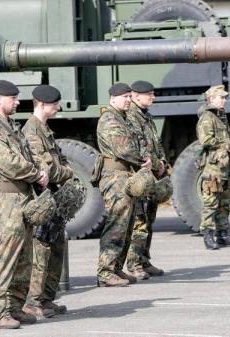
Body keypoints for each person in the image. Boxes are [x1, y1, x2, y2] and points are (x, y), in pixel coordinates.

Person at [0, 80, 50, 329]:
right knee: (5, 256)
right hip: (6, 200)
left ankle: (14, 308)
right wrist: (35, 173)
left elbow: (29, 154)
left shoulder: (11, 126)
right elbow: (7, 162)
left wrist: (40, 171)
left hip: (23, 198)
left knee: (23, 258)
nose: (18, 102)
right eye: (13, 98)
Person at [22, 85, 74, 317]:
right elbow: (46, 170)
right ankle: (32, 300)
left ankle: (46, 298)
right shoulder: (31, 132)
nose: (58, 108)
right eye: (54, 104)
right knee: (41, 249)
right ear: (42, 104)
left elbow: (59, 162)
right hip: (42, 199)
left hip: (54, 198)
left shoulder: (44, 130)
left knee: (56, 249)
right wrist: (67, 173)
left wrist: (63, 170)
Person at [95, 82, 152, 287]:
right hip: (115, 176)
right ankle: (105, 271)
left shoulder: (126, 119)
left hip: (127, 175)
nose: (128, 100)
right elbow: (124, 148)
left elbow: (141, 142)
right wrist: (142, 159)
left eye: (130, 97)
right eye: (125, 97)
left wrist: (146, 156)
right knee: (116, 223)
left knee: (127, 225)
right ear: (113, 98)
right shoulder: (109, 119)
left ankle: (117, 268)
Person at [125, 80, 166, 280]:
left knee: (149, 220)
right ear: (135, 95)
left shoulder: (146, 117)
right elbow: (140, 151)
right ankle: (134, 265)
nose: (153, 97)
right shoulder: (131, 117)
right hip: (141, 176)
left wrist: (163, 162)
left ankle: (144, 260)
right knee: (139, 222)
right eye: (149, 94)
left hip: (153, 175)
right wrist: (157, 164)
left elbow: (155, 145)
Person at [195, 85, 230, 250]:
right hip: (213, 168)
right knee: (211, 203)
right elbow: (206, 140)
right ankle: (208, 235)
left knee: (225, 202)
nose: (224, 100)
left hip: (224, 166)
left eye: (224, 97)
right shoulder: (207, 117)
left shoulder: (221, 116)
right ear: (211, 99)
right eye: (220, 97)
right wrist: (227, 143)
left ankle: (223, 234)